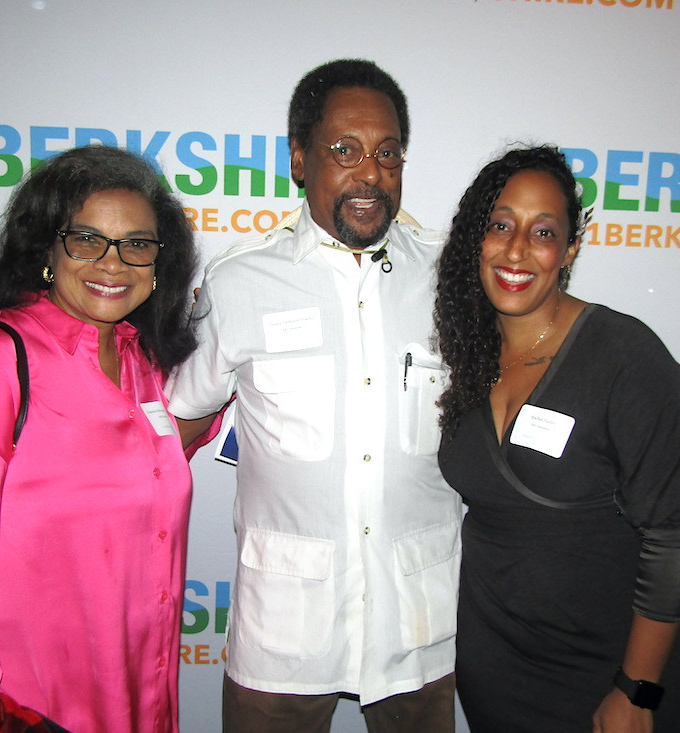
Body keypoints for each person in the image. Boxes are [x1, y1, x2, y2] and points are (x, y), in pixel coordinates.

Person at [168, 59, 462, 732]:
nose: (370, 174)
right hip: (283, 637)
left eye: (387, 153)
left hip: (415, 623)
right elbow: (179, 420)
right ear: (299, 160)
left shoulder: (452, 277)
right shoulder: (240, 283)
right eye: (344, 150)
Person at [0, 145, 206, 733]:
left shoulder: (145, 364)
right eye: (87, 239)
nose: (113, 263)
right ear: (47, 250)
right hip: (29, 712)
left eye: (137, 243)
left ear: (159, 262)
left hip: (143, 701)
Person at [433, 146, 680, 733]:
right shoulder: (467, 352)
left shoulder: (625, 357)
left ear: (571, 248)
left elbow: (673, 538)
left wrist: (637, 690)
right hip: (495, 667)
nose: (516, 250)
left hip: (608, 672)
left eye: (543, 231)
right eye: (501, 225)